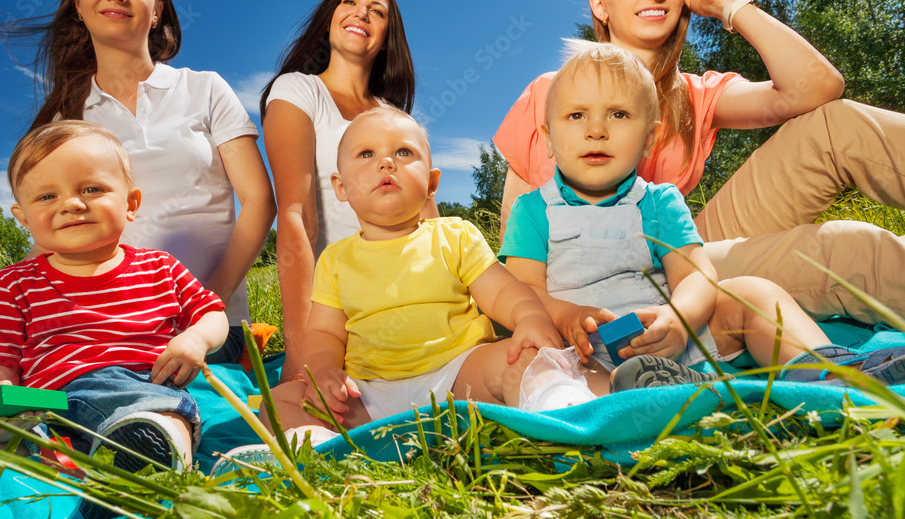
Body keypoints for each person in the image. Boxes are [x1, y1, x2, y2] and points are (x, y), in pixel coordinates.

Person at [0, 0, 275, 398]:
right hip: (79, 311)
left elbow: (259, 202)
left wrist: (211, 310)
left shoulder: (204, 88)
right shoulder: (69, 117)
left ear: (157, 7)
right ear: (77, 4)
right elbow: (54, 238)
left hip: (191, 317)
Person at [493, 0, 905, 325]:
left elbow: (817, 87)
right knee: (848, 248)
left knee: (837, 125)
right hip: (615, 282)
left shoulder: (694, 94)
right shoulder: (554, 95)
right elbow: (519, 238)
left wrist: (726, 1)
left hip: (683, 248)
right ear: (600, 5)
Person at [266, 107, 733, 433]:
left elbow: (504, 292)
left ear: (431, 181)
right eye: (366, 155)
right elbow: (324, 334)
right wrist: (324, 371)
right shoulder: (336, 259)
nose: (386, 161)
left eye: (404, 153)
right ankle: (311, 444)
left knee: (522, 360)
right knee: (280, 400)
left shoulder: (453, 235)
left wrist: (529, 321)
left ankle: (572, 415)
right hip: (367, 393)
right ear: (341, 186)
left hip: (457, 376)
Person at [500, 42, 905, 389]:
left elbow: (694, 274)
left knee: (754, 293)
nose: (597, 130)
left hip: (672, 335)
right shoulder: (535, 210)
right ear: (549, 138)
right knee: (532, 363)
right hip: (584, 352)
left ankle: (826, 373)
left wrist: (681, 317)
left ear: (649, 139)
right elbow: (524, 291)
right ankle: (648, 397)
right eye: (576, 115)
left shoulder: (658, 202)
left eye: (618, 114)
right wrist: (565, 314)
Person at [0, 121, 228, 508]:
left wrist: (196, 339)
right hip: (40, 410)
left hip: (136, 388)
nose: (71, 204)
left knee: (162, 421)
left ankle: (140, 478)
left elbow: (212, 313)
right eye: (46, 196)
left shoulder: (159, 266)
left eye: (91, 189)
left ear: (131, 204)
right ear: (23, 218)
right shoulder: (13, 283)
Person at [259, 0, 436, 385]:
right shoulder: (298, 91)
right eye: (350, 2)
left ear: (387, 36)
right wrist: (300, 348)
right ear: (329, 20)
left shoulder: (397, 117)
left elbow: (428, 222)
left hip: (409, 295)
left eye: (377, 11)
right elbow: (296, 217)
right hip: (339, 308)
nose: (362, 13)